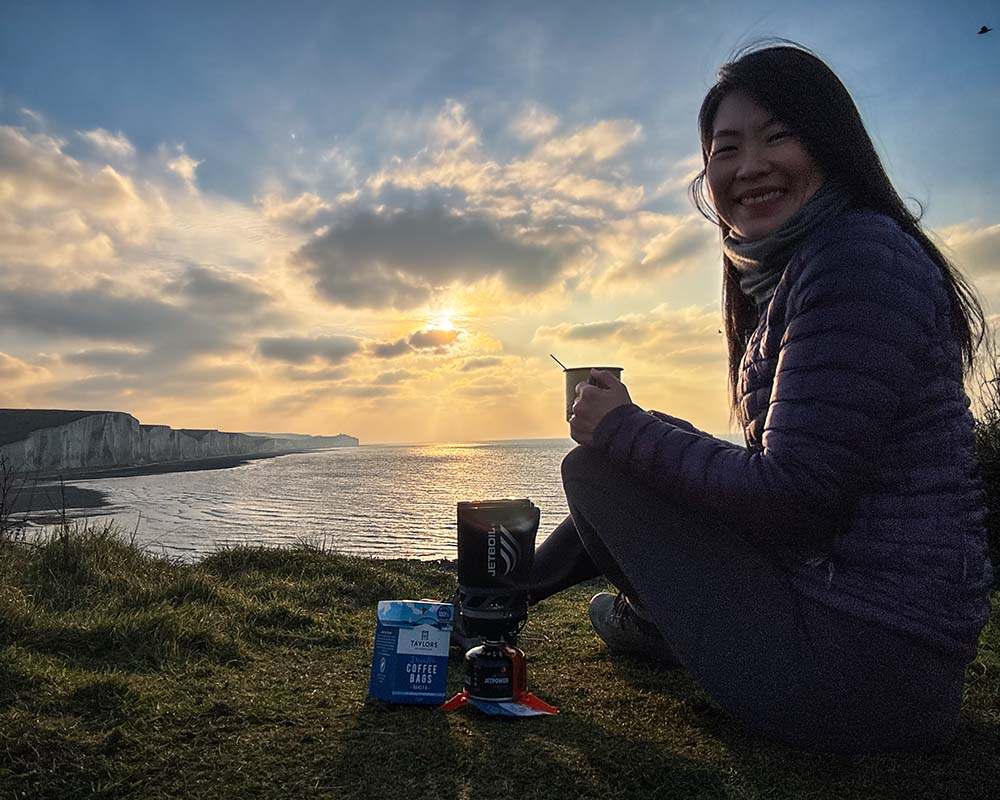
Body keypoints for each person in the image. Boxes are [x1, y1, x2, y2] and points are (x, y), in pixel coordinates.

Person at [526, 41, 994, 754]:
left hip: (858, 666)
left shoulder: (855, 257)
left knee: (595, 466)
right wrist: (641, 428)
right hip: (884, 658)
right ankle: (641, 621)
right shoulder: (812, 265)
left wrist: (622, 431)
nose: (749, 166)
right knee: (643, 437)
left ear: (831, 143)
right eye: (726, 148)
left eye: (779, 136)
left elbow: (794, 498)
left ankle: (560, 612)